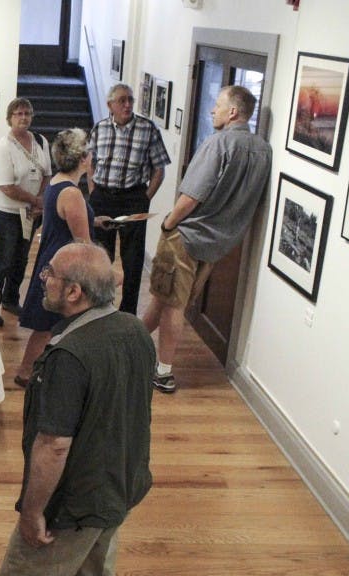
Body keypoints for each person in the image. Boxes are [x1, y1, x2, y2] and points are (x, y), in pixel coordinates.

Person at [0, 243, 155, 576]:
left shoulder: (67, 356)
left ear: (74, 293)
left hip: (73, 505)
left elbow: (53, 446)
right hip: (119, 491)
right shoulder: (135, 330)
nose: (42, 278)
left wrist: (33, 513)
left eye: (50, 273)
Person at [142, 85, 271, 393]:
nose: (212, 110)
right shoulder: (263, 150)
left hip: (188, 236)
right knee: (165, 295)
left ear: (233, 112)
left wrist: (169, 223)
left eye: (217, 105)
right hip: (220, 243)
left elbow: (192, 195)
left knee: (174, 303)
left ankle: (163, 372)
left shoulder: (218, 144)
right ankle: (134, 345)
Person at [14, 128, 107, 387]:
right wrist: (107, 272)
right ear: (82, 159)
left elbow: (65, 220)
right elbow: (83, 243)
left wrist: (96, 221)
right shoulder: (73, 193)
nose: (91, 157)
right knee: (50, 323)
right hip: (66, 266)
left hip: (53, 258)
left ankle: (33, 371)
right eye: (88, 153)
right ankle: (27, 373)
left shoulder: (57, 183)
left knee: (50, 324)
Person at [88, 83, 171, 315]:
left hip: (133, 197)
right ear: (110, 105)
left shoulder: (148, 129)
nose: (127, 105)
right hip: (103, 196)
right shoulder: (100, 128)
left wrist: (145, 198)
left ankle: (127, 312)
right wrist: (93, 187)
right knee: (101, 255)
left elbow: (159, 169)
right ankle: (100, 305)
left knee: (133, 259)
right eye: (122, 100)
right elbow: (91, 161)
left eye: (130, 100)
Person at [0, 98, 51, 327]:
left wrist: (40, 201)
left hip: (30, 211)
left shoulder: (41, 142)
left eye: (27, 113)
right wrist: (36, 201)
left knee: (21, 257)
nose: (23, 117)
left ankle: (11, 300)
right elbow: (6, 186)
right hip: (5, 210)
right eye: (18, 114)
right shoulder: (4, 147)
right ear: (10, 118)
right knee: (4, 259)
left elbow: (46, 175)